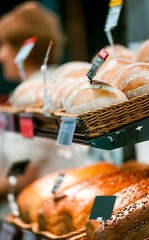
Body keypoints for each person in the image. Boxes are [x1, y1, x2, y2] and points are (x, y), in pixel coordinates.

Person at [0, 1, 90, 220]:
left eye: (4, 45)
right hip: (74, 195)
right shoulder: (55, 83)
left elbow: (23, 175)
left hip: (47, 210)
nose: (1, 56)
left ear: (22, 48)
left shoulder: (29, 97)